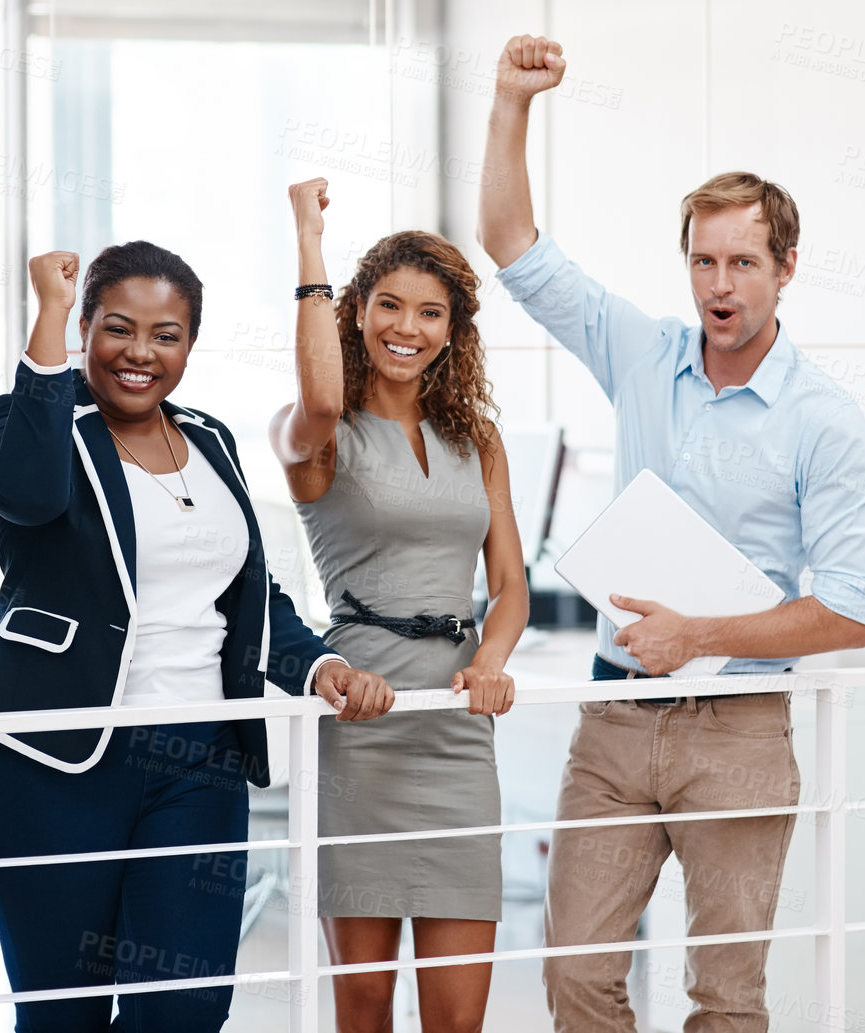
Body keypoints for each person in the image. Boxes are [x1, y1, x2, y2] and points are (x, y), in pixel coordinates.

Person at [477, 35, 865, 1033]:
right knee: (574, 972)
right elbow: (508, 243)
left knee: (725, 997)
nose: (720, 282)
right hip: (617, 718)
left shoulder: (822, 419)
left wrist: (698, 635)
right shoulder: (641, 353)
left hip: (740, 728)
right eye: (703, 260)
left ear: (784, 268)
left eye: (742, 261)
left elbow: (848, 613)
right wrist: (509, 102)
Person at [0, 242, 396, 1032]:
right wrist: (47, 318)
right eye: (117, 328)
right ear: (85, 327)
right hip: (54, 758)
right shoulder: (37, 424)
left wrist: (318, 663)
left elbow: (249, 593)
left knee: (186, 1005)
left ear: (190, 344)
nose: (140, 352)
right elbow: (23, 493)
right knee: (64, 1015)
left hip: (200, 756)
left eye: (167, 335)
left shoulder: (212, 439)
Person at [268, 180, 529, 1033]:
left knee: (458, 1013)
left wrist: (490, 663)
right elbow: (318, 399)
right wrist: (309, 245)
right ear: (356, 310)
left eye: (428, 313)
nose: (405, 329)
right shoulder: (319, 432)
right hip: (364, 725)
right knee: (367, 1000)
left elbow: (511, 585)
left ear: (453, 332)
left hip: (457, 730)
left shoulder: (476, 436)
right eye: (387, 305)